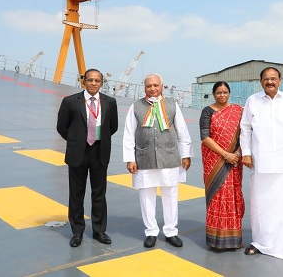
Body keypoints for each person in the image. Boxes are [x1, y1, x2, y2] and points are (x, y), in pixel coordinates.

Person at [240, 67, 283, 262]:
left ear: (280, 81)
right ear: (260, 82)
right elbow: (245, 129)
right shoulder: (253, 101)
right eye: (266, 79)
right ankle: (260, 242)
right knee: (260, 205)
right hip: (260, 162)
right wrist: (247, 153)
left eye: (273, 79)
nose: (270, 82)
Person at [123, 73, 193, 248]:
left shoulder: (172, 105)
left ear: (162, 86)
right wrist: (130, 159)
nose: (152, 89)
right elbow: (129, 134)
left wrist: (186, 155)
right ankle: (151, 232)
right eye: (148, 86)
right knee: (146, 195)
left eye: (156, 85)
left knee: (170, 194)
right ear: (144, 87)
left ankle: (171, 232)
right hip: (144, 157)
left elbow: (183, 132)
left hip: (169, 157)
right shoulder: (136, 106)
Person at [56, 68, 118, 248]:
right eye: (90, 80)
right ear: (83, 81)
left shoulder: (110, 102)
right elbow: (62, 127)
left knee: (99, 193)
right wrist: (76, 141)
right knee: (76, 193)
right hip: (78, 152)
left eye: (97, 80)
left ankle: (99, 230)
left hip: (100, 151)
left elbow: (112, 127)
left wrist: (98, 138)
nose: (93, 83)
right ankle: (77, 231)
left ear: (101, 83)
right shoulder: (70, 101)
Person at [199, 81, 244, 250]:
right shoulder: (207, 111)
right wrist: (225, 154)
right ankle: (216, 241)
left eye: (225, 92)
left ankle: (234, 240)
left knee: (232, 197)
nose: (222, 95)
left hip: (234, 161)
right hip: (215, 161)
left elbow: (245, 134)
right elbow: (205, 137)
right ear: (213, 94)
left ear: (229, 93)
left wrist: (237, 154)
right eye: (219, 92)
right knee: (217, 197)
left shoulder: (239, 111)